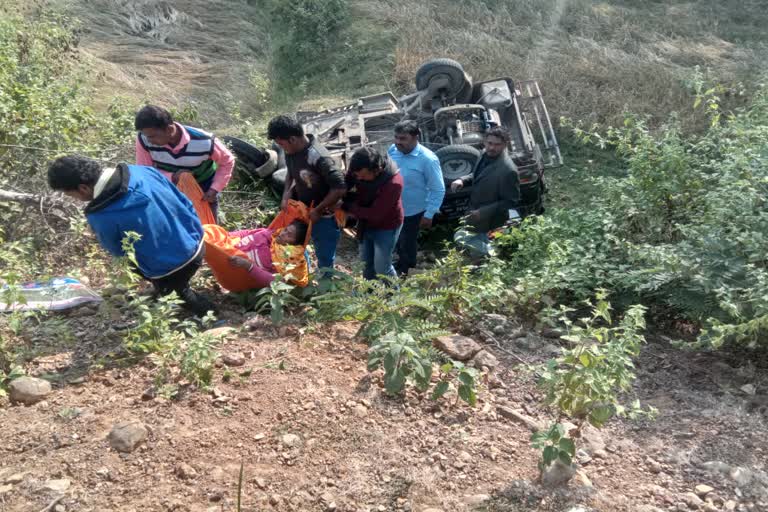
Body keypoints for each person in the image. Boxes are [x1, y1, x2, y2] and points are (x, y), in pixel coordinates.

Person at [47, 155, 216, 317]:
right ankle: (166, 287)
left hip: (173, 267)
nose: (75, 198)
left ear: (83, 188)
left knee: (178, 292)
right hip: (197, 239)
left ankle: (206, 312)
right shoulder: (142, 171)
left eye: (71, 194)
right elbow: (182, 199)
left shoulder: (100, 214)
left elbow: (117, 251)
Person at [267, 115, 346, 271]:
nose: (281, 148)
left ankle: (325, 284)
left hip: (324, 215)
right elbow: (290, 172)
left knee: (324, 253)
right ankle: (302, 273)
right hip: (303, 210)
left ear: (292, 139)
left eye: (281, 144)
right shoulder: (291, 151)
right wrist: (286, 195)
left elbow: (340, 187)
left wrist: (318, 210)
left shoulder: (318, 157)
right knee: (297, 243)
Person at [134, 105, 235, 220]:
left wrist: (214, 189)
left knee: (208, 226)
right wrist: (172, 177)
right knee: (177, 224)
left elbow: (227, 161)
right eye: (147, 136)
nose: (150, 141)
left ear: (169, 129)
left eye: (153, 136)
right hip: (169, 186)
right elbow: (145, 171)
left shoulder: (204, 141)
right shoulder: (144, 139)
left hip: (203, 187)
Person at [450, 126, 520, 259]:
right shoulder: (483, 153)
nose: (492, 147)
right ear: (484, 142)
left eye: (497, 144)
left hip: (491, 218)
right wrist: (463, 179)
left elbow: (511, 201)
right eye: (490, 143)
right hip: (475, 210)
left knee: (460, 237)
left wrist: (483, 212)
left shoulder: (508, 170)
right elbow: (478, 174)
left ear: (505, 145)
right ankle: (483, 260)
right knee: (476, 242)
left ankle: (495, 255)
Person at [388, 120, 445, 276]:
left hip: (413, 211)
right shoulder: (393, 150)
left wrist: (429, 214)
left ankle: (406, 270)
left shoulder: (428, 159)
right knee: (397, 239)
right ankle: (399, 262)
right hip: (394, 207)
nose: (398, 142)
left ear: (415, 138)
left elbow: (438, 188)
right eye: (396, 137)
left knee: (407, 242)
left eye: (403, 139)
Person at [342, 147, 404, 280]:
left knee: (382, 268)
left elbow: (376, 214)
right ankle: (370, 295)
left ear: (377, 170)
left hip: (386, 226)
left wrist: (346, 206)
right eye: (356, 175)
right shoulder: (358, 169)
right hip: (366, 222)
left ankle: (394, 297)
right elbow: (347, 182)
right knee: (366, 264)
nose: (358, 178)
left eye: (363, 176)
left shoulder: (394, 183)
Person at [227, 220, 309, 288]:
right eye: (285, 230)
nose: (283, 234)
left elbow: (274, 281)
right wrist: (227, 235)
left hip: (233, 265)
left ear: (295, 243)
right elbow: (247, 233)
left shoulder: (283, 260)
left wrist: (248, 266)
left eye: (289, 235)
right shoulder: (270, 233)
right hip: (227, 245)